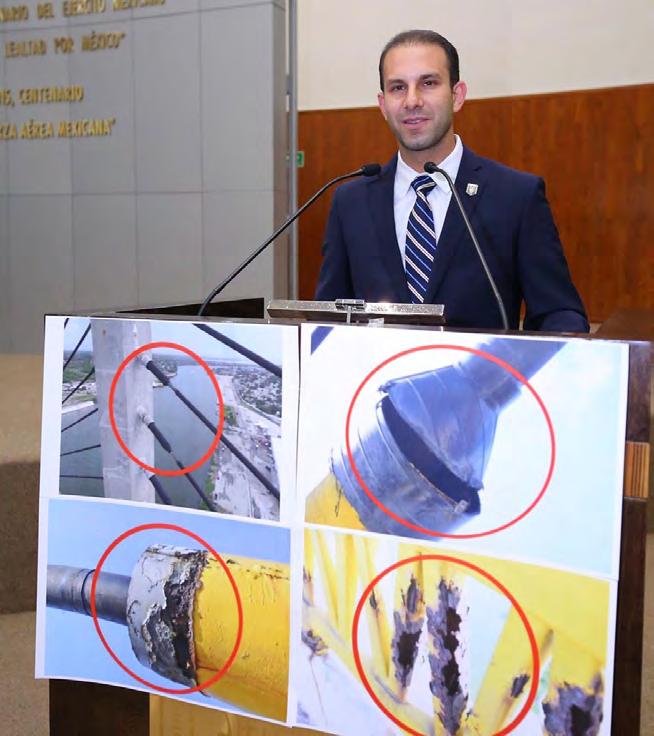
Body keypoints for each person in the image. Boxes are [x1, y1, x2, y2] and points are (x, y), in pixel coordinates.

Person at [314, 30, 589, 332]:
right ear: (383, 104)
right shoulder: (350, 202)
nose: (412, 100)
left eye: (428, 83)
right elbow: (328, 318)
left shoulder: (516, 196)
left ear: (457, 96)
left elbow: (558, 312)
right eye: (398, 87)